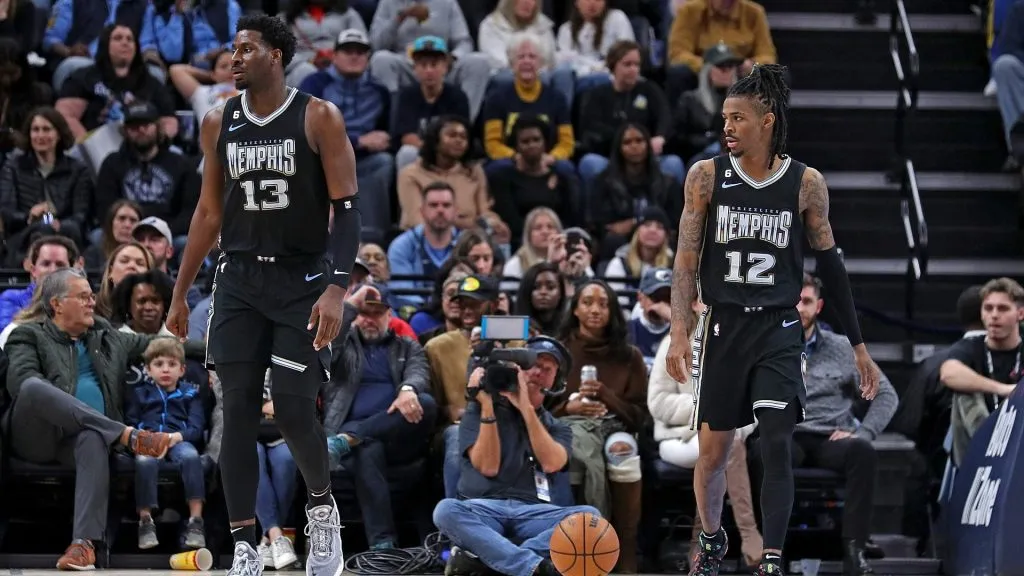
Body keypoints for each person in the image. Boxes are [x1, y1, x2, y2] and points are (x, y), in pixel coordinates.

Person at [663, 63, 882, 576]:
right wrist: (678, 331)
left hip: (779, 326)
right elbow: (686, 261)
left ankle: (773, 560)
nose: (727, 127)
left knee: (778, 440)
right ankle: (712, 539)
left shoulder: (806, 183)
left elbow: (831, 265)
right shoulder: (705, 176)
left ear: (767, 121)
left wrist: (859, 346)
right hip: (723, 325)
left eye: (737, 118)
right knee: (713, 455)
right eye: (724, 117)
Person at [165, 14, 361, 576]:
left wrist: (337, 288)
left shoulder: (318, 116)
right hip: (239, 281)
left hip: (302, 282)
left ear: (276, 55)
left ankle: (321, 510)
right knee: (238, 414)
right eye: (233, 48)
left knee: (296, 411)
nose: (235, 57)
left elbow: (348, 210)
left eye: (247, 48)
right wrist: (180, 293)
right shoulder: (217, 121)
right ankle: (246, 547)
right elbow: (208, 213)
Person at [432, 336, 599, 576]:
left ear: (556, 380)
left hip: (534, 512)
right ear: (517, 368)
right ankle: (534, 566)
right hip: (483, 508)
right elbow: (488, 467)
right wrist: (487, 405)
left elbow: (551, 463)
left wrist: (526, 407)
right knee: (445, 510)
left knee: (590, 519)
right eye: (534, 364)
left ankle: (493, 562)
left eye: (547, 369)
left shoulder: (557, 427)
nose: (538, 372)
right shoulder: (478, 410)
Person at [125, 338, 209, 551]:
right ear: (148, 369)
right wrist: (147, 439)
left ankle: (196, 521)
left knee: (191, 456)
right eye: (158, 364)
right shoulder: (140, 393)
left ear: (182, 370)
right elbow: (131, 425)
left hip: (180, 440)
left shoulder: (191, 394)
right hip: (149, 441)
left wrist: (173, 438)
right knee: (144, 461)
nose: (165, 369)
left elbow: (196, 429)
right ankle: (145, 520)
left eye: (172, 364)